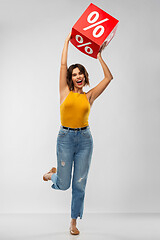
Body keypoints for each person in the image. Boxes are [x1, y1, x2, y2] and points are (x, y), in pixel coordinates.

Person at [43, 32, 113, 235]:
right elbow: (63, 66)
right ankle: (53, 174)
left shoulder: (89, 96)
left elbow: (109, 78)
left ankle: (73, 222)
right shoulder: (64, 92)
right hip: (65, 139)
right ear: (70, 78)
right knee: (64, 185)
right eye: (74, 74)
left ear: (84, 76)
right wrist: (66, 42)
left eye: (80, 73)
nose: (78, 76)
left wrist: (99, 56)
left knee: (79, 184)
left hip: (84, 141)